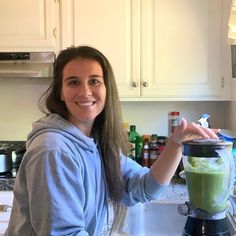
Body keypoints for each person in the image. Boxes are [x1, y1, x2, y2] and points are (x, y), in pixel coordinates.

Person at [5, 46, 219, 236]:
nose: (85, 91)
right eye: (73, 82)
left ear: (106, 89)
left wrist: (176, 143)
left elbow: (145, 188)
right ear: (60, 92)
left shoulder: (96, 143)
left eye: (94, 81)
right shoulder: (53, 150)